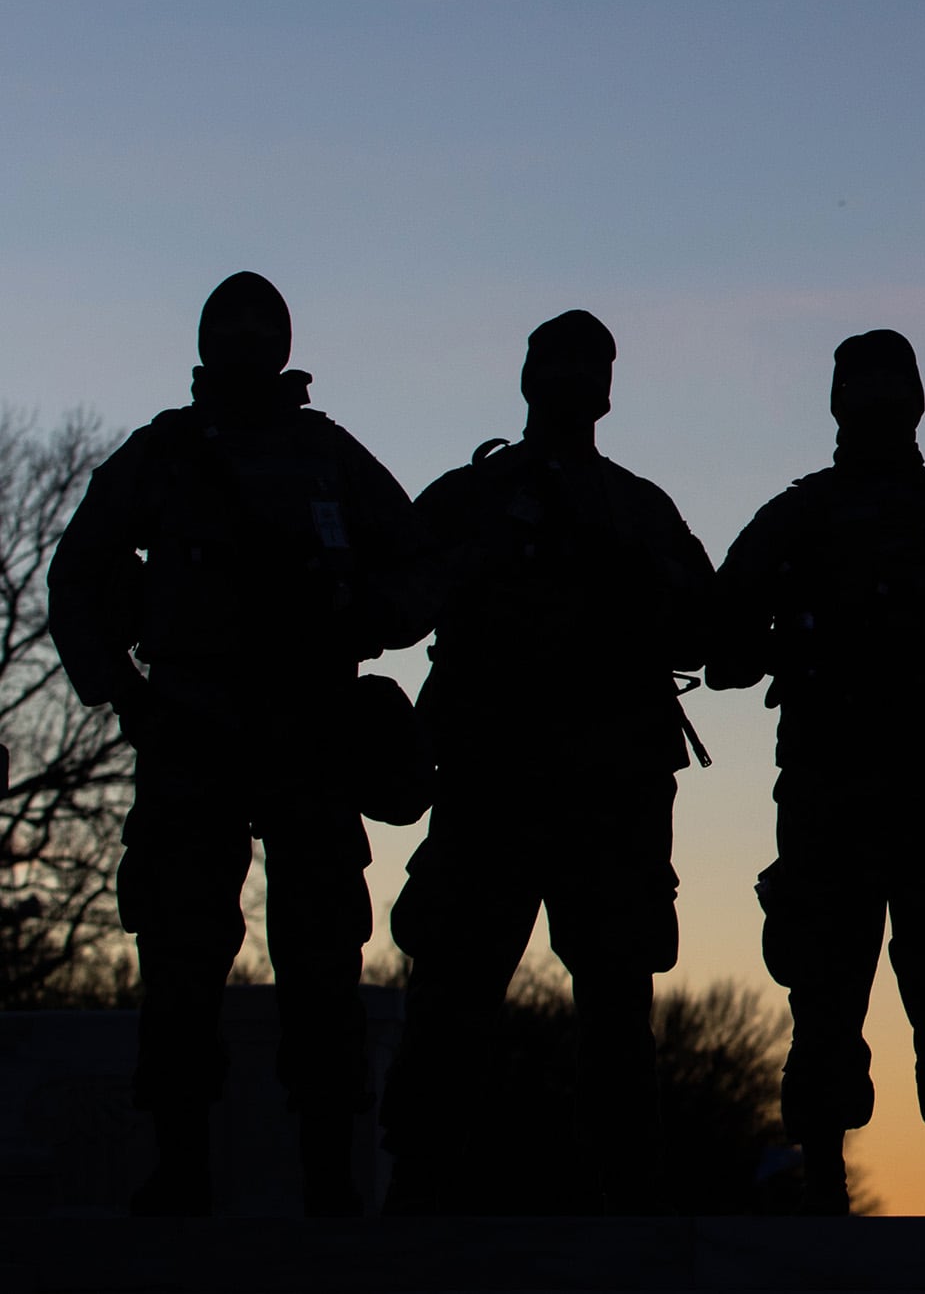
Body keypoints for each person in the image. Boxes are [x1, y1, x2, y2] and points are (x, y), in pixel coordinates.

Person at [48, 271, 431, 1214]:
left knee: (322, 959)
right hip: (193, 734)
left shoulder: (324, 452)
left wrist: (360, 616)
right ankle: (181, 1165)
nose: (254, 340)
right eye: (239, 326)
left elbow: (418, 564)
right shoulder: (168, 453)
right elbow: (79, 570)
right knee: (180, 956)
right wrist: (124, 693)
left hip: (306, 731)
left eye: (268, 327)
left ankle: (329, 1176)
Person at [708, 330, 925, 1216]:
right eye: (864, 392)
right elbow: (721, 635)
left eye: (886, 391)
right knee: (826, 998)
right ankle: (826, 1173)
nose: (875, 407)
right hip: (834, 796)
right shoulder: (802, 518)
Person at [379, 311, 714, 1213]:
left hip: (607, 796)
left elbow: (711, 628)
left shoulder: (638, 508)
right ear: (531, 377)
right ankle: (421, 1182)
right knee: (454, 993)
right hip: (493, 784)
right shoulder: (472, 497)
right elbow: (391, 605)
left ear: (607, 387)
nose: (575, 378)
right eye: (560, 361)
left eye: (590, 363)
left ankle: (620, 1194)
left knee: (614, 1007)